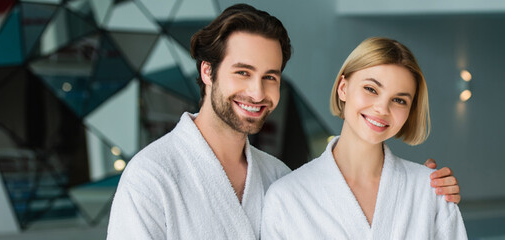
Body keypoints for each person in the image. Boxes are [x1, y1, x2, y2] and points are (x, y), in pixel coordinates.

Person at [107, 4, 461, 240]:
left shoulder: (277, 177)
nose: (256, 92)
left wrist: (420, 188)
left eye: (270, 76)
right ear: (207, 72)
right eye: (242, 72)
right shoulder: (151, 176)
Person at [261, 37, 468, 239]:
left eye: (399, 100)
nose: (382, 108)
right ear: (343, 88)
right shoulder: (286, 197)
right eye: (371, 89)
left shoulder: (429, 192)